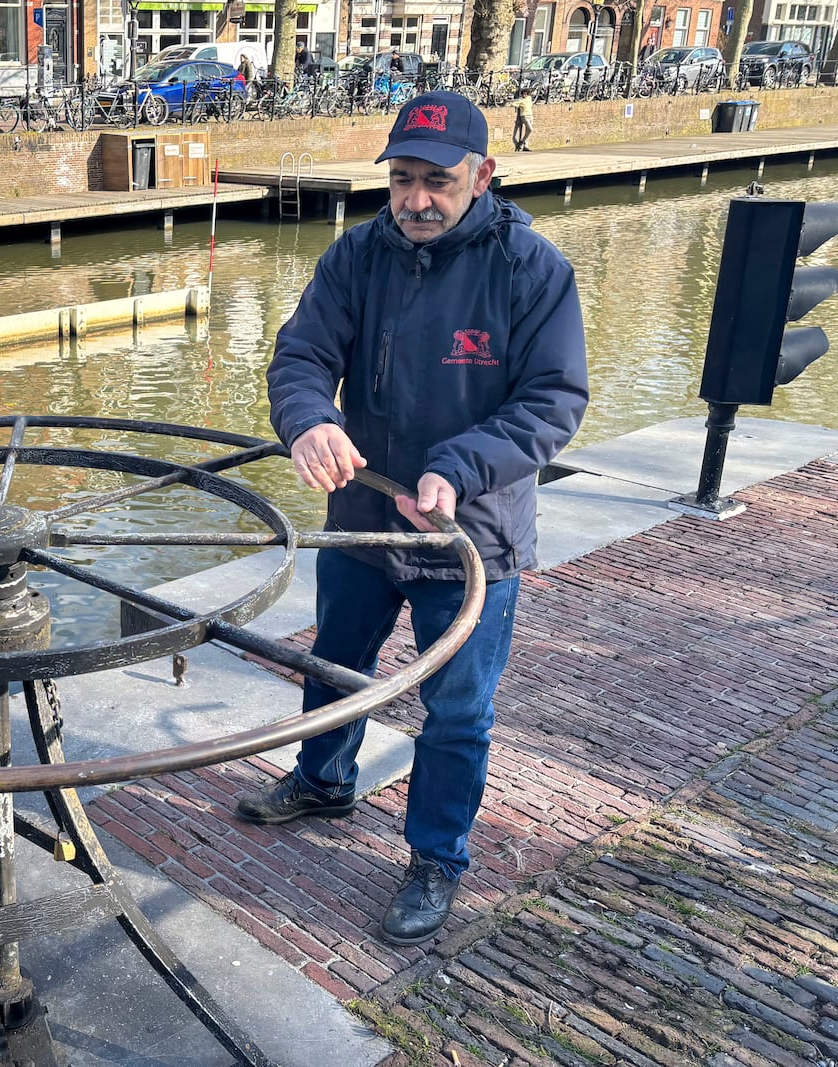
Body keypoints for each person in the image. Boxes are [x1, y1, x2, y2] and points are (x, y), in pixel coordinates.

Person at [239, 90, 588, 947]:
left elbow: (554, 401)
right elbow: (303, 352)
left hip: (471, 534)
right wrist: (309, 417)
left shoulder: (532, 270)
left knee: (458, 710)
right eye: (401, 179)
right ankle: (323, 777)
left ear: (484, 176)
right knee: (337, 659)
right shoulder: (358, 255)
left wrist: (455, 471)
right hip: (364, 516)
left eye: (437, 180)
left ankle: (437, 856)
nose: (416, 199)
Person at [512, 87, 534, 151]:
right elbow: (513, 104)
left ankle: (525, 145)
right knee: (530, 130)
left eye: (525, 94)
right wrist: (517, 105)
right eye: (523, 94)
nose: (524, 95)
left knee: (528, 131)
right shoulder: (521, 100)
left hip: (530, 115)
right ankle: (521, 142)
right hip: (524, 116)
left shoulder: (529, 98)